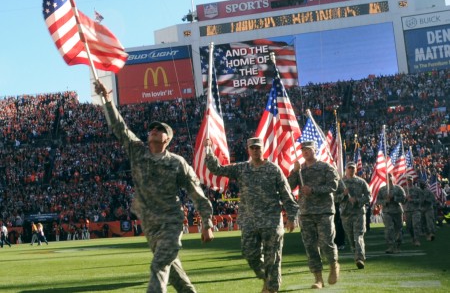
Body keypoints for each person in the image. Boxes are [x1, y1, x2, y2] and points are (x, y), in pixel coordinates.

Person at [95, 81, 214, 293]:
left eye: (160, 130)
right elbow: (119, 127)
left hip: (171, 222)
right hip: (151, 225)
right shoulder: (138, 152)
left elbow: (197, 193)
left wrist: (207, 223)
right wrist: (107, 100)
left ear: (167, 139)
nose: (154, 131)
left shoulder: (177, 163)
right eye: (152, 129)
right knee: (174, 272)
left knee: (159, 266)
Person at [205, 137, 299, 293]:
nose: (255, 150)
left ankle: (271, 288)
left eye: (258, 148)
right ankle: (267, 279)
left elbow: (286, 195)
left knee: (272, 258)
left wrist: (291, 217)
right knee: (249, 253)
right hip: (249, 221)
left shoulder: (273, 169)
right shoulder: (241, 168)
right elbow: (217, 169)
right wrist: (209, 150)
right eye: (252, 148)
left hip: (271, 221)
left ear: (263, 149)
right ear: (248, 150)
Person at [287, 141, 340, 289]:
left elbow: (333, 185)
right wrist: (294, 172)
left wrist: (314, 190)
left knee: (326, 243)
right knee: (310, 246)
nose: (305, 152)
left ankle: (333, 264)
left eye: (308, 149)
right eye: (303, 150)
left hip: (324, 211)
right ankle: (318, 278)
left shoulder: (325, 167)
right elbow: (289, 186)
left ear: (314, 150)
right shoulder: (300, 170)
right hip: (306, 212)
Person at [335, 162, 371, 269]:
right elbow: (334, 198)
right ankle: (356, 253)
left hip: (358, 213)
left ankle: (359, 258)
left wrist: (358, 200)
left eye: (353, 168)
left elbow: (368, 196)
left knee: (358, 236)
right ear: (346, 169)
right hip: (346, 214)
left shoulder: (361, 182)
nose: (351, 169)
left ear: (356, 169)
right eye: (349, 167)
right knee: (351, 238)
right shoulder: (340, 183)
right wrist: (343, 195)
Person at [376, 174, 406, 254]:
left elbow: (404, 199)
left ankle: (398, 246)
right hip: (387, 212)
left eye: (390, 176)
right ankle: (391, 246)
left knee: (398, 229)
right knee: (389, 229)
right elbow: (378, 201)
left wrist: (394, 198)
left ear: (393, 178)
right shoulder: (382, 190)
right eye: (387, 176)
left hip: (397, 211)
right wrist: (385, 201)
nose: (388, 178)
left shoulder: (398, 188)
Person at [402, 176, 422, 246]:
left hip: (416, 210)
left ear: (412, 181)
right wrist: (405, 198)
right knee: (409, 227)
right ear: (406, 181)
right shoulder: (404, 190)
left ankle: (417, 240)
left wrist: (413, 200)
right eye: (408, 180)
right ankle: (413, 237)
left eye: (410, 180)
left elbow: (421, 200)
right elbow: (401, 201)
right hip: (407, 210)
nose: (409, 182)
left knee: (415, 225)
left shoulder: (417, 189)